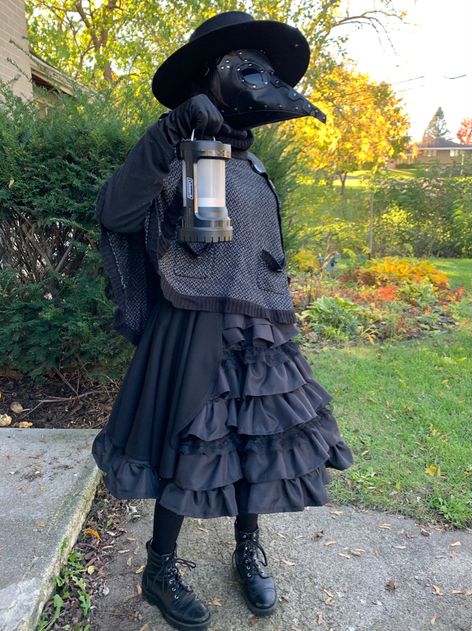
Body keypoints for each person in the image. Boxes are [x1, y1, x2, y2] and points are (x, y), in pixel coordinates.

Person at [92, 10, 354, 631]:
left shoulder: (256, 168)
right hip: (193, 324)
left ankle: (247, 547)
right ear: (206, 80)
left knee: (252, 442)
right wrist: (169, 134)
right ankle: (160, 567)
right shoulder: (179, 151)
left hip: (260, 331)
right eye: (240, 69)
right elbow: (116, 211)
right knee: (188, 444)